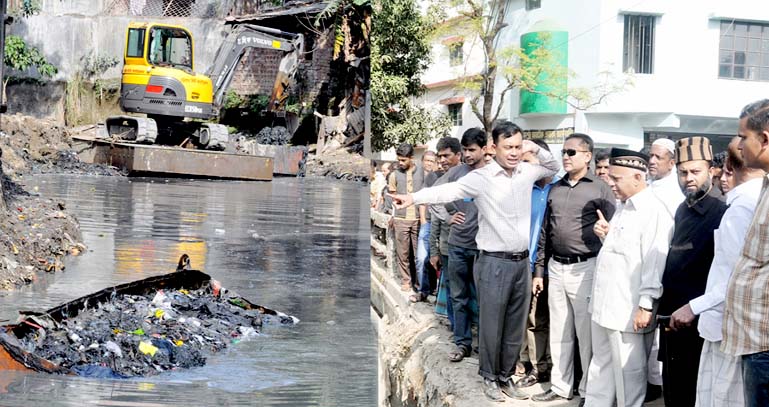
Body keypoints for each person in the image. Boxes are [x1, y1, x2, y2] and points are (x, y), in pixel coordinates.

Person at [389, 121, 559, 402]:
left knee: (514, 325)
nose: (514, 153)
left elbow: (553, 169)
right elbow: (447, 192)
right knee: (492, 323)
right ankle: (489, 377)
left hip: (520, 262)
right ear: (494, 147)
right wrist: (411, 198)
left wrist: (533, 149)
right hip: (493, 262)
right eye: (508, 147)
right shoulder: (482, 178)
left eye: (518, 146)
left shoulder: (527, 173)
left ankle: (505, 376)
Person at [585, 148, 674, 407]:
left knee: (629, 378)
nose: (610, 183)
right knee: (600, 368)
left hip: (629, 310)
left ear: (638, 177)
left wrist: (646, 304)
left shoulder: (654, 212)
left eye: (616, 178)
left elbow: (654, 262)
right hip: (604, 306)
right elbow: (622, 253)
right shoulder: (623, 207)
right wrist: (605, 234)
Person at [531, 134, 616, 404]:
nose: (565, 157)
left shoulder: (601, 189)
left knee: (586, 335)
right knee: (559, 331)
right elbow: (545, 231)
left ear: (587, 156)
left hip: (586, 268)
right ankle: (560, 387)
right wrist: (539, 271)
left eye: (571, 152)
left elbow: (613, 231)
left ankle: (588, 390)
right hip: (556, 268)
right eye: (564, 152)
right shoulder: (556, 188)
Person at [683, 137, 764, 407]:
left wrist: (693, 306)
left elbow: (737, 276)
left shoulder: (742, 207)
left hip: (729, 327)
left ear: (726, 166)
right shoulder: (755, 199)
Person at [656, 137, 728, 407]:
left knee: (693, 393)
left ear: (711, 171)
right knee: (673, 391)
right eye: (682, 172)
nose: (688, 178)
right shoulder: (681, 209)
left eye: (695, 172)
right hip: (672, 319)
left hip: (699, 321)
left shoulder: (722, 212)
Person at [723, 99, 769, 407]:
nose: (739, 145)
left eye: (743, 137)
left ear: (764, 139)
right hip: (755, 340)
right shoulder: (766, 184)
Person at [515, 139, 557, 388]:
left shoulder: (557, 189)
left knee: (539, 319)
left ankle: (541, 366)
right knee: (525, 317)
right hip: (523, 262)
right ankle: (526, 361)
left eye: (530, 160)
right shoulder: (523, 189)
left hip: (548, 265)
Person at [443, 128, 486, 362]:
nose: (468, 155)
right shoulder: (456, 173)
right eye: (465, 150)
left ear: (484, 149)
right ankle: (462, 343)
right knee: (458, 296)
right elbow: (442, 197)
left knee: (482, 297)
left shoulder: (492, 174)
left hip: (483, 247)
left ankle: (482, 343)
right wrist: (450, 214)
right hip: (458, 243)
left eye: (472, 150)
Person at [429, 138, 462, 311]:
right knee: (452, 289)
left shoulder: (470, 176)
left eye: (446, 156)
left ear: (458, 155)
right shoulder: (440, 182)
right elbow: (434, 215)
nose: (442, 160)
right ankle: (455, 327)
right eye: (439, 156)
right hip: (448, 246)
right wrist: (433, 251)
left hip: (472, 245)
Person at [388, 143, 425, 292]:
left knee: (419, 254)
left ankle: (419, 283)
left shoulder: (422, 172)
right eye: (399, 160)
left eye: (404, 160)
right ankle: (406, 280)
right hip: (401, 219)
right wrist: (393, 216)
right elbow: (392, 197)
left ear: (411, 158)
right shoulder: (394, 175)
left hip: (418, 218)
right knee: (402, 253)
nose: (400, 163)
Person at [412, 150, 439, 303]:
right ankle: (423, 290)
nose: (430, 163)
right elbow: (422, 200)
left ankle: (436, 292)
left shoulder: (445, 176)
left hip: (442, 223)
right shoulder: (428, 178)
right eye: (427, 160)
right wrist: (423, 220)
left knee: (438, 260)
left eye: (432, 160)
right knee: (421, 258)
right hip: (428, 222)